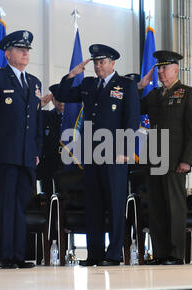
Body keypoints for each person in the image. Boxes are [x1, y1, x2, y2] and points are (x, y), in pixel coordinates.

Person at [57, 44, 140, 266]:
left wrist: (126, 150)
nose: (98, 66)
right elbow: (63, 93)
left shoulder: (126, 86)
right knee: (92, 205)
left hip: (115, 154)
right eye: (95, 62)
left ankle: (113, 255)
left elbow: (131, 120)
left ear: (113, 63)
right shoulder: (88, 84)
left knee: (114, 205)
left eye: (102, 62)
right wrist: (73, 74)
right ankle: (94, 253)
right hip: (91, 154)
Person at [0, 30, 43, 269]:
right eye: (20, 49)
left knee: (20, 206)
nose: (25, 53)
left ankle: (17, 255)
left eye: (27, 50)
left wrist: (37, 150)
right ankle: (3, 256)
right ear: (8, 54)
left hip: (26, 155)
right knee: (4, 205)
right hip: (1, 153)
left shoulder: (34, 82)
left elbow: (36, 119)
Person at [138, 50, 192, 265]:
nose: (161, 72)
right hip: (153, 158)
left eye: (165, 68)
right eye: (159, 68)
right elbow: (135, 107)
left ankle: (176, 254)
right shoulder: (154, 95)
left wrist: (187, 159)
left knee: (175, 208)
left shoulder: (187, 93)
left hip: (175, 160)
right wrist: (140, 86)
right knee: (156, 207)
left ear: (176, 69)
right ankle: (160, 253)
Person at [37, 84, 64, 199]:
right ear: (52, 100)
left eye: (65, 100)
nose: (61, 103)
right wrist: (39, 105)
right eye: (58, 99)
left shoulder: (76, 119)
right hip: (48, 163)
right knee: (47, 196)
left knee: (66, 197)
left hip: (68, 164)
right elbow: (27, 117)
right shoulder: (45, 116)